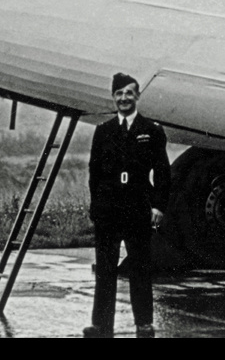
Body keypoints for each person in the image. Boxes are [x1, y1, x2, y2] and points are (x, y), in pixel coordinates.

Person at [83, 73, 171, 338]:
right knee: (106, 269)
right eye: (119, 94)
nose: (124, 98)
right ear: (113, 97)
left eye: (129, 93)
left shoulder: (151, 131)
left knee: (140, 269)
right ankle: (101, 324)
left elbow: (163, 171)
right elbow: (94, 172)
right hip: (109, 210)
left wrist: (158, 206)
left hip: (138, 208)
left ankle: (144, 324)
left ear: (137, 96)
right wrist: (96, 206)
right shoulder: (104, 131)